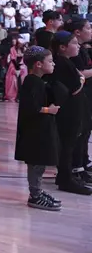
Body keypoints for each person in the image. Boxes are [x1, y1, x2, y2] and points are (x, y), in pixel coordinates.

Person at [14, 46, 62, 211]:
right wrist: (50, 110)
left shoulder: (38, 81)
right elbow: (31, 107)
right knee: (35, 164)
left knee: (40, 163)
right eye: (50, 61)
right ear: (38, 64)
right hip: (34, 131)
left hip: (39, 129)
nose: (53, 64)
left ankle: (38, 192)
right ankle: (35, 195)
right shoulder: (31, 81)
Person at [50, 31, 92, 195]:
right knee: (67, 144)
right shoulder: (63, 63)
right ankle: (65, 178)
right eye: (74, 43)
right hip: (68, 110)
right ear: (62, 47)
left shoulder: (66, 62)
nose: (78, 46)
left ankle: (65, 176)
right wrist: (81, 79)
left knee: (70, 143)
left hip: (73, 109)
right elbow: (75, 87)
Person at [64, 18, 92, 185]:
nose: (91, 30)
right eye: (88, 27)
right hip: (80, 96)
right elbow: (80, 73)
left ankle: (82, 163)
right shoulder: (74, 53)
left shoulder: (83, 49)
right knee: (79, 133)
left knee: (85, 131)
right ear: (77, 32)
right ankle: (75, 167)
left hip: (87, 95)